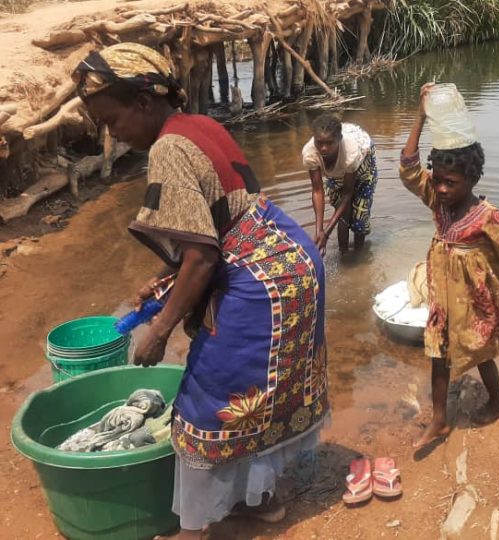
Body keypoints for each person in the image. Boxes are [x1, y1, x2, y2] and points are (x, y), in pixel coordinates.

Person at [72, 43, 329, 539]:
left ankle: (192, 532)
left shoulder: (167, 149)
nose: (113, 133)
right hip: (290, 257)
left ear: (144, 102)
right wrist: (169, 283)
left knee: (205, 405)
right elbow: (221, 223)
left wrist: (160, 329)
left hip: (259, 284)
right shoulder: (199, 124)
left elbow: (206, 254)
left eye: (113, 119)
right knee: (259, 393)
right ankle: (264, 502)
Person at [399, 84, 499, 448]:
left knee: (480, 350)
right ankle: (439, 421)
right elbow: (407, 167)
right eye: (439, 180)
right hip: (445, 297)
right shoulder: (437, 201)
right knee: (438, 350)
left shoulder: (486, 216)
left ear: (472, 179)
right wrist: (420, 114)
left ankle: (498, 401)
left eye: (452, 183)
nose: (443, 189)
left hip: (479, 299)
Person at [302, 114, 378, 255]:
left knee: (359, 217)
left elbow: (347, 192)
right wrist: (319, 231)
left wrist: (327, 232)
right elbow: (317, 190)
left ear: (339, 140)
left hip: (364, 159)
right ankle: (343, 254)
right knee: (343, 215)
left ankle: (359, 258)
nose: (323, 148)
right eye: (319, 143)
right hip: (340, 167)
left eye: (329, 143)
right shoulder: (310, 153)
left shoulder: (351, 152)